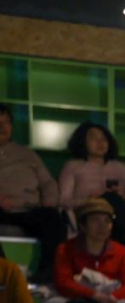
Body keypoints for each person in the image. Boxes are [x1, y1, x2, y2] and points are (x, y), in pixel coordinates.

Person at [0, 103, 67, 282]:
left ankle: (46, 273)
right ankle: (3, 273)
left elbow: (48, 182)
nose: (2, 127)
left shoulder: (27, 154)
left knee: (53, 219)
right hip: (2, 209)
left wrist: (49, 202)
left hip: (29, 208)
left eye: (6, 122)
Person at [59, 121, 125, 252]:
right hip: (88, 214)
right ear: (83, 141)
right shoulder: (73, 167)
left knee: (113, 199)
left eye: (104, 139)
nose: (100, 142)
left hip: (117, 213)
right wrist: (88, 200)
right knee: (107, 201)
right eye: (94, 138)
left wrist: (124, 196)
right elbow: (63, 201)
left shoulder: (120, 168)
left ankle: (122, 242)